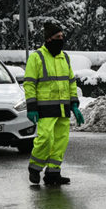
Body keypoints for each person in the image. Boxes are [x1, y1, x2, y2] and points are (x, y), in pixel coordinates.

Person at [24, 22, 84, 185]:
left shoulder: (64, 57)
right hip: (45, 108)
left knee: (60, 141)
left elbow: (71, 82)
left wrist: (74, 104)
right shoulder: (37, 57)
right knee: (45, 139)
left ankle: (53, 174)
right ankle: (35, 168)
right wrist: (31, 107)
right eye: (58, 37)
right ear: (48, 38)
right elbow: (29, 84)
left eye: (62, 37)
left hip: (63, 109)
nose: (61, 39)